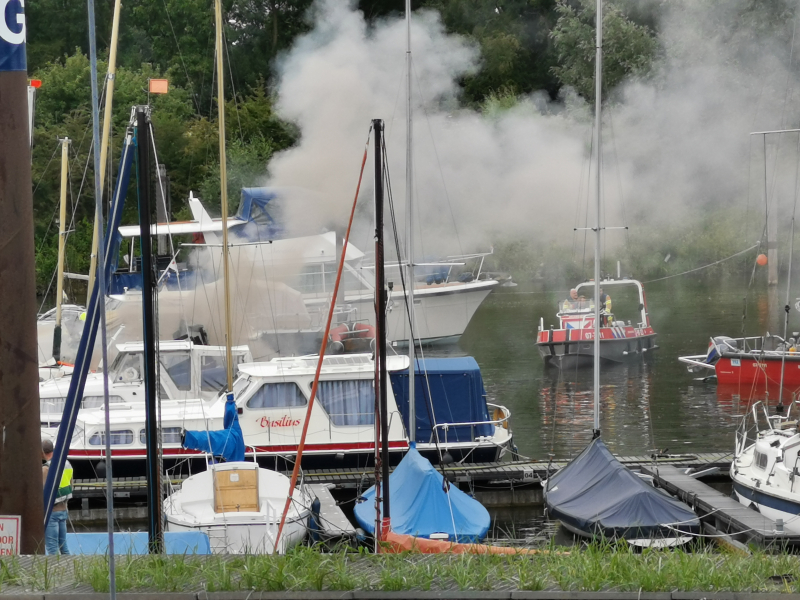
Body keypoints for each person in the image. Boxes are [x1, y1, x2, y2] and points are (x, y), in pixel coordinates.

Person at [42, 439, 73, 555]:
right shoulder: (67, 464)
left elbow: (42, 493)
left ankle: (55, 568)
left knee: (52, 548)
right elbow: (71, 485)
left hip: (52, 512)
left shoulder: (46, 469)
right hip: (64, 509)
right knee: (63, 546)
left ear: (42, 452)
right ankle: (70, 566)